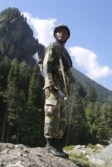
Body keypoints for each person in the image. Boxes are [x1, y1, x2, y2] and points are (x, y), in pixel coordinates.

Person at [42, 24, 72, 158]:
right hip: (53, 87)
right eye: (59, 32)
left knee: (61, 118)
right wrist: (49, 83)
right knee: (52, 113)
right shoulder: (53, 47)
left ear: (67, 36)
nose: (62, 34)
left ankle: (57, 145)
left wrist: (67, 92)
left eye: (64, 32)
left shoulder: (64, 52)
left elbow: (66, 75)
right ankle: (50, 145)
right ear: (55, 35)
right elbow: (46, 65)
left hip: (62, 89)